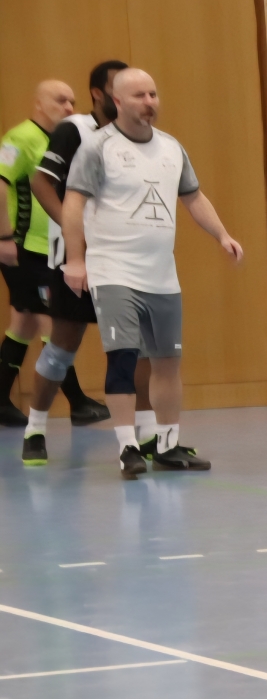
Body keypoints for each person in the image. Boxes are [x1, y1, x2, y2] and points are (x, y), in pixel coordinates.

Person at [62, 68, 244, 479]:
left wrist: (222, 235)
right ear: (117, 101)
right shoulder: (98, 147)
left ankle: (167, 445)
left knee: (167, 362)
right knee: (123, 358)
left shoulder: (171, 148)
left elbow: (193, 197)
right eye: (139, 95)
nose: (149, 102)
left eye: (153, 94)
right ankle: (128, 447)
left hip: (162, 275)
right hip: (114, 270)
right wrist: (75, 260)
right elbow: (73, 203)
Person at [23, 61, 134, 465]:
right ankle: (35, 429)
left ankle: (143, 438)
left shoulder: (136, 137)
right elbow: (40, 182)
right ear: (99, 94)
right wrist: (75, 233)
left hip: (122, 258)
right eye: (117, 88)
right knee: (62, 348)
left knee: (134, 347)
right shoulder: (75, 130)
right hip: (77, 259)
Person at [0, 79, 89, 429]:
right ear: (38, 104)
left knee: (23, 323)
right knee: (53, 320)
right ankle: (78, 402)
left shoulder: (60, 142)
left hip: (48, 248)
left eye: (72, 102)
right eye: (59, 100)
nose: (68, 108)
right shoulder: (19, 138)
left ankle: (1, 400)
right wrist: (4, 237)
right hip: (23, 247)